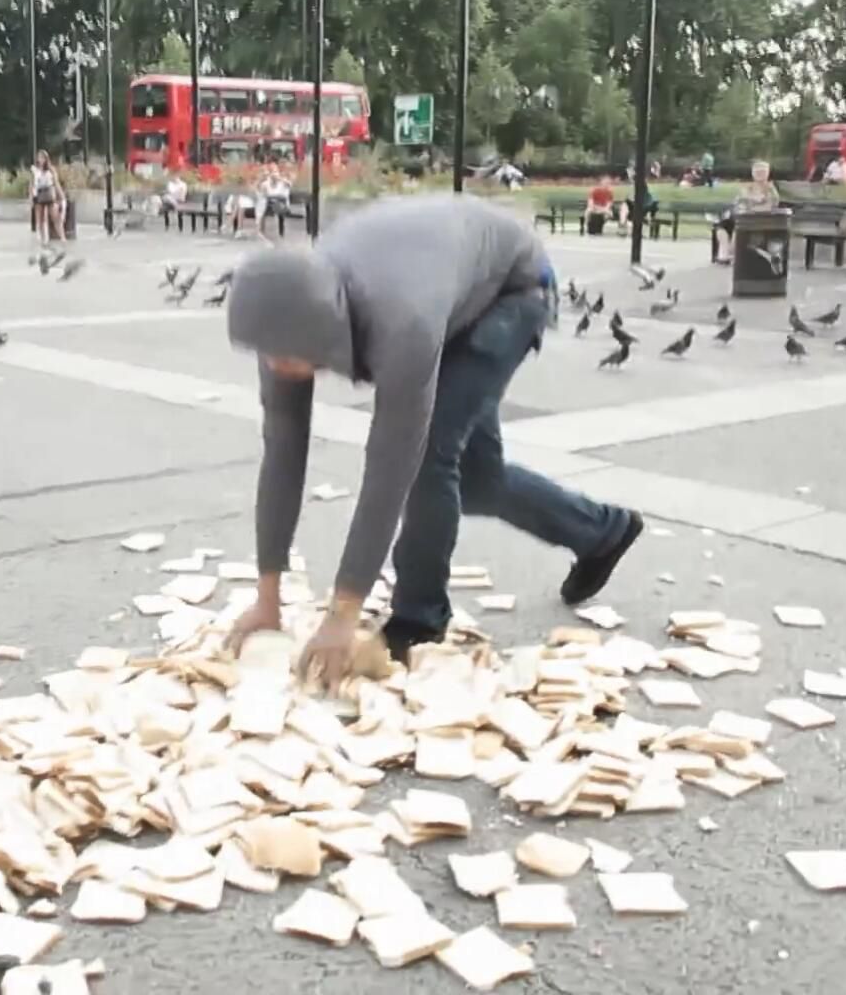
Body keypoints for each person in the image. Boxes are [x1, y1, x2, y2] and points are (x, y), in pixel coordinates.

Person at [222, 195, 645, 685]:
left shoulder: (401, 324)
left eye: (286, 356)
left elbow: (390, 466)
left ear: (321, 329)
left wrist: (343, 614)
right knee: (475, 482)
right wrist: (267, 598)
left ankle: (417, 622)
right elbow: (283, 451)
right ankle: (603, 532)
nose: (276, 366)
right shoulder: (280, 320)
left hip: (510, 292)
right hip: (448, 284)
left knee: (429, 460)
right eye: (264, 354)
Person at [714, 160, 781, 264]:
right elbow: (739, 203)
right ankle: (724, 254)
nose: (759, 174)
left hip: (758, 220)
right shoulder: (747, 188)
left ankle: (732, 254)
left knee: (740, 225)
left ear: (767, 173)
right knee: (722, 226)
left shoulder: (771, 189)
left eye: (762, 172)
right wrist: (754, 202)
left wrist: (751, 205)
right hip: (741, 216)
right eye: (757, 172)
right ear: (753, 173)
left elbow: (769, 207)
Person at [31, 150, 62, 255]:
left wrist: (60, 195)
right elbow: (31, 185)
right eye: (39, 157)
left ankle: (62, 238)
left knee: (55, 217)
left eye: (43, 157)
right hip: (39, 194)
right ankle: (43, 240)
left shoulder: (51, 170)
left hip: (49, 193)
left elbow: (56, 183)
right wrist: (31, 197)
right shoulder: (35, 170)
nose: (41, 160)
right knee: (40, 219)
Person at [258, 164, 293, 242]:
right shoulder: (266, 183)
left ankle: (278, 233)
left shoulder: (283, 181)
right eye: (272, 172)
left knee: (273, 205)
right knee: (262, 206)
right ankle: (262, 232)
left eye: (276, 172)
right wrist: (262, 180)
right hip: (269, 204)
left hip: (281, 204)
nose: (274, 174)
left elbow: (289, 185)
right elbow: (261, 191)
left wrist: (280, 179)